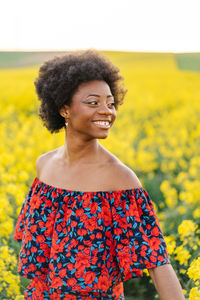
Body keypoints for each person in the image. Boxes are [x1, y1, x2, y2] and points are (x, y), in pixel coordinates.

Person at [14, 49, 185, 300]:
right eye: (93, 102)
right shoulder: (44, 165)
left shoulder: (120, 179)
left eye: (110, 102)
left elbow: (158, 262)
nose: (107, 111)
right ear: (64, 109)